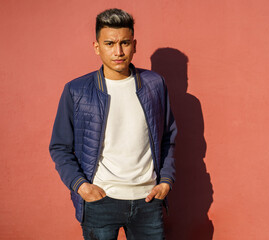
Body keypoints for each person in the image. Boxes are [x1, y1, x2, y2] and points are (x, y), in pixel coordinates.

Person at [49, 8, 177, 240]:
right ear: (97, 47)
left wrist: (166, 181)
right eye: (109, 43)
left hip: (148, 200)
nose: (118, 51)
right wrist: (81, 186)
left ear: (134, 44)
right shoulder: (76, 90)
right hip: (100, 201)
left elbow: (168, 137)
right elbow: (60, 147)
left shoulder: (154, 85)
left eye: (125, 43)